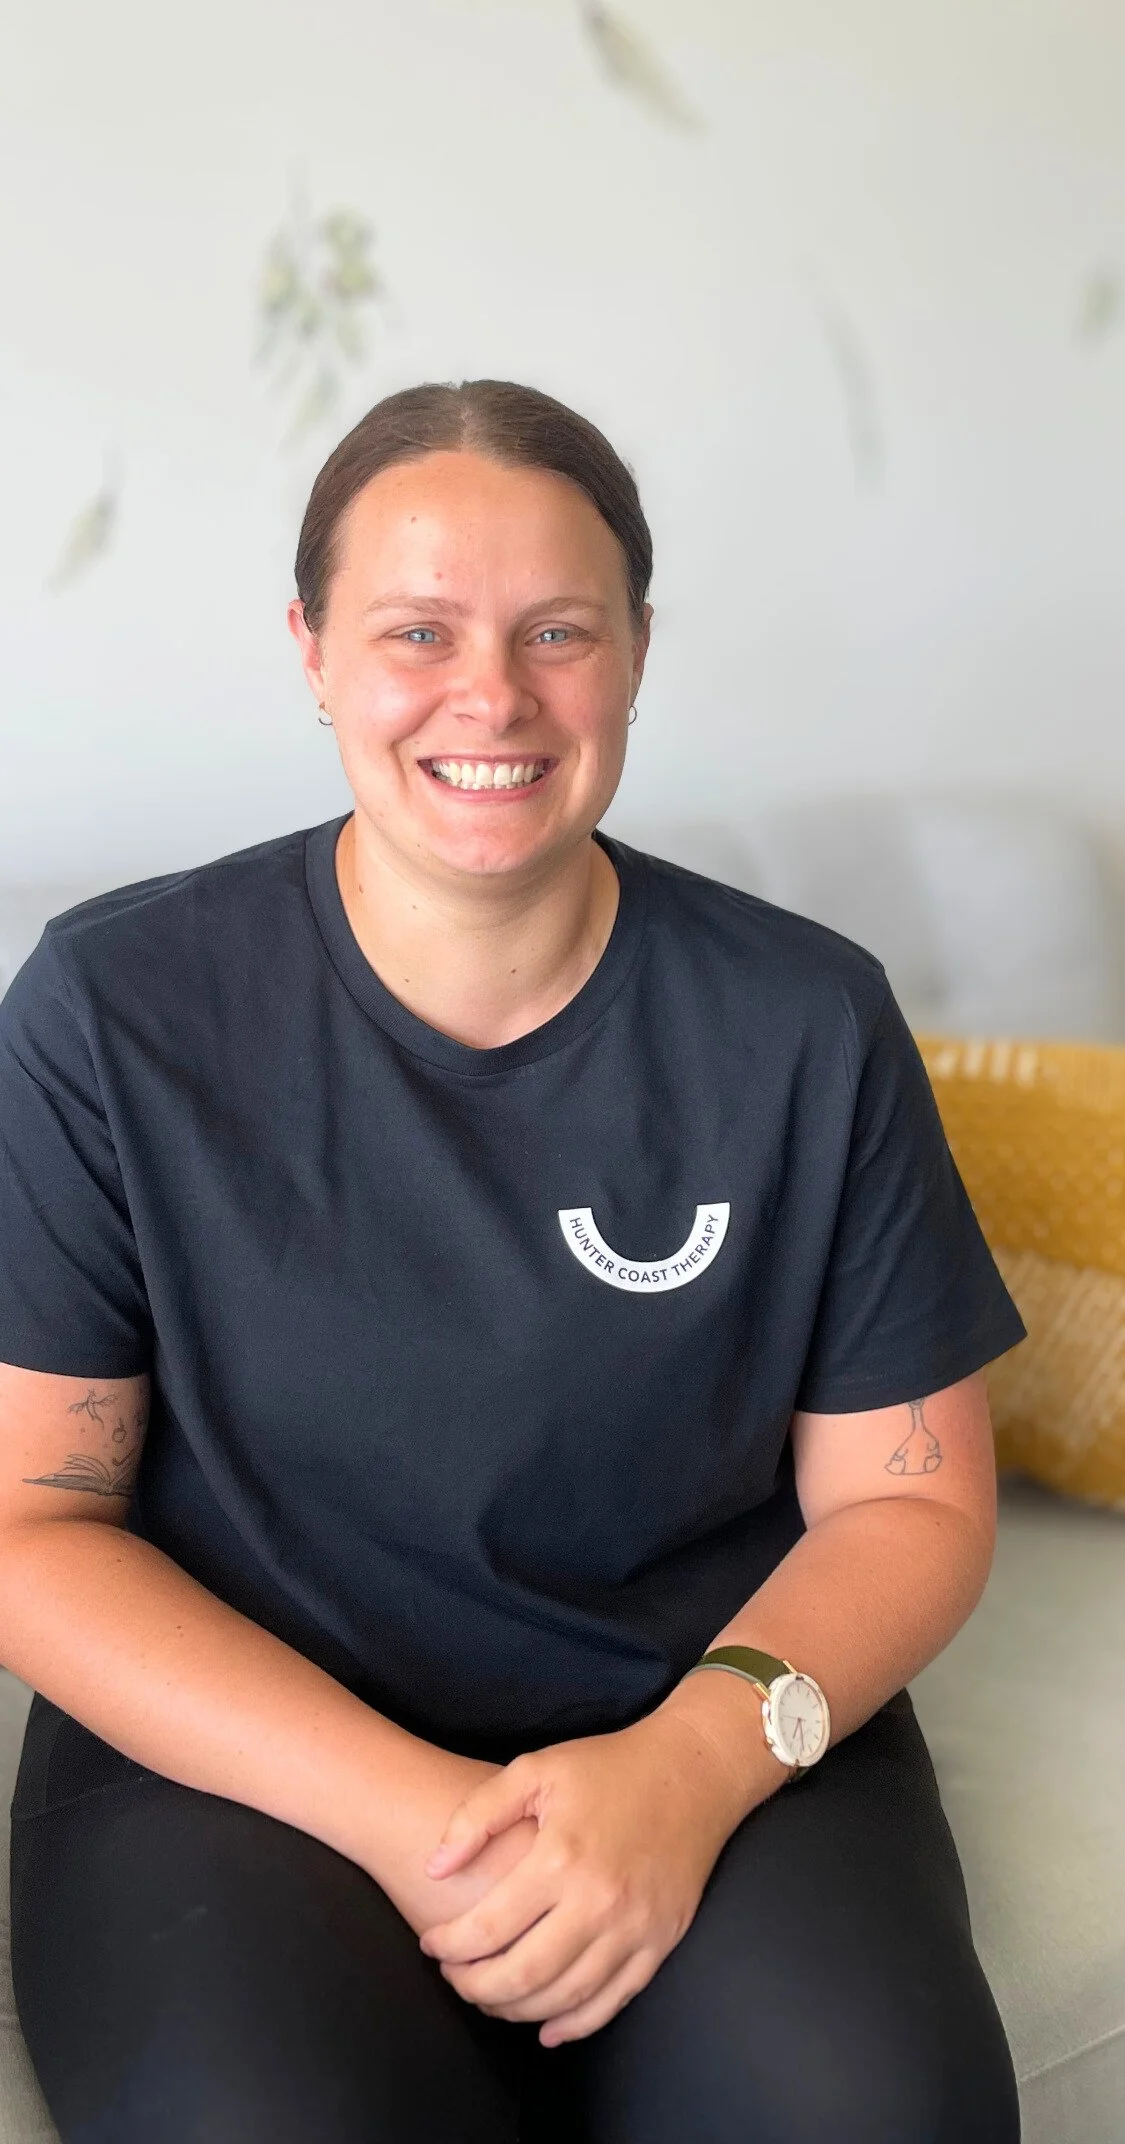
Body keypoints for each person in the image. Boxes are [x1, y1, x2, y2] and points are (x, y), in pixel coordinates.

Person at [1, 378, 1027, 2143]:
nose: (493, 696)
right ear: (313, 651)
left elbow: (912, 1507)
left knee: (876, 2112)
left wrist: (685, 1778)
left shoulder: (803, 1022)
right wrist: (423, 1819)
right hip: (244, 1756)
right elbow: (32, 1523)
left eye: (560, 631)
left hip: (703, 1715)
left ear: (635, 651)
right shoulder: (112, 1013)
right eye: (418, 631)